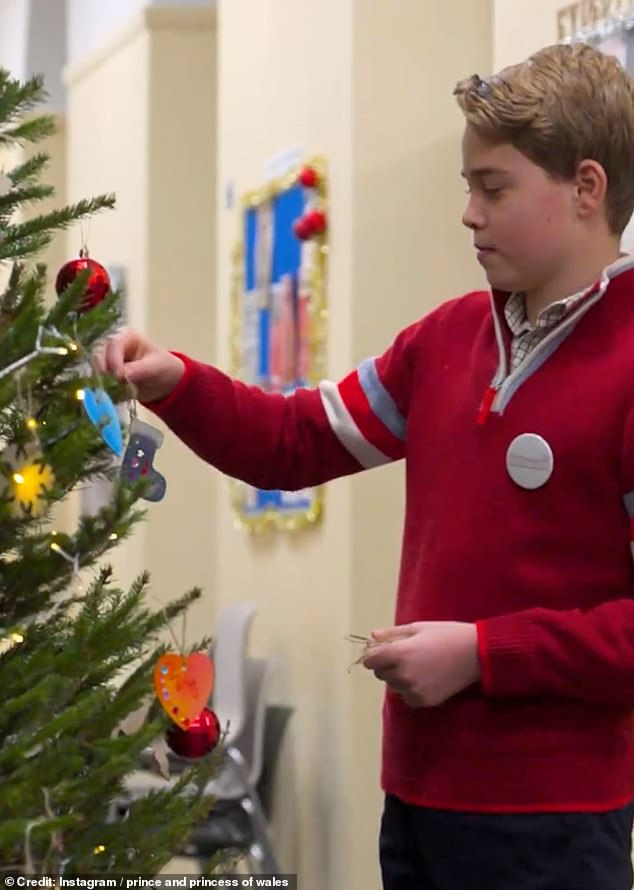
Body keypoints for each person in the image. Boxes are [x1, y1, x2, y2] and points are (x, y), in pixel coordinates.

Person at [97, 42, 634, 890]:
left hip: (554, 821)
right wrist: (180, 385)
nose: (468, 213)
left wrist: (485, 652)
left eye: (493, 189)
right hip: (416, 799)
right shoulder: (444, 340)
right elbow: (291, 440)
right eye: (467, 185)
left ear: (587, 189)